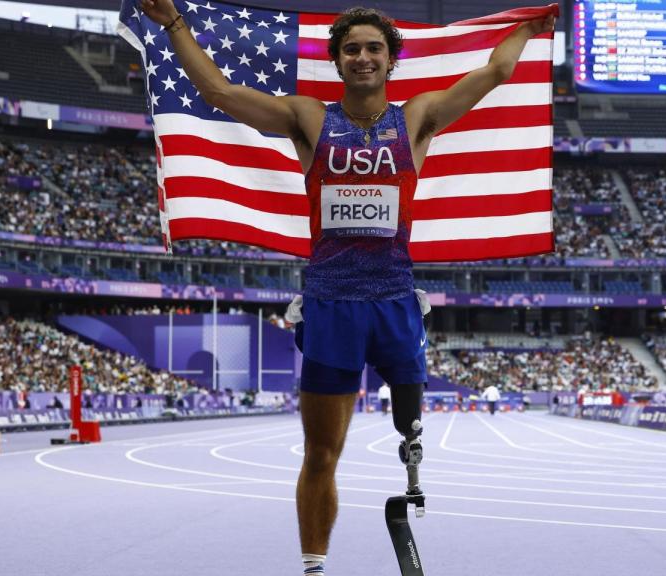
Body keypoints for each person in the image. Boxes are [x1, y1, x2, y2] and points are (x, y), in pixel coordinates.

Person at [137, 2, 554, 574]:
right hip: (331, 301)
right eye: (352, 48)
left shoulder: (417, 118)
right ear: (337, 60)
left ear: (390, 60)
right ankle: (313, 566)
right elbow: (220, 93)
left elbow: (496, 73)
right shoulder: (310, 118)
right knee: (320, 454)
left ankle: (411, 474)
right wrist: (173, 24)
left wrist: (529, 27)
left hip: (394, 299)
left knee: (411, 432)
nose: (362, 57)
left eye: (373, 48)